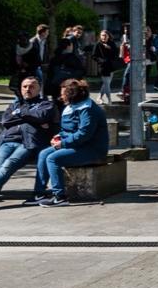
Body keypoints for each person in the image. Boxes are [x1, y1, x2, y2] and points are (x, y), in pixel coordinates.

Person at [0, 77, 57, 211]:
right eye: (24, 86)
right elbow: (6, 120)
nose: (27, 89)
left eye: (32, 86)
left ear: (39, 89)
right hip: (7, 142)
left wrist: (20, 114)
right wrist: (31, 118)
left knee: (8, 165)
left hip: (27, 143)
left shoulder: (46, 104)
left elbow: (40, 116)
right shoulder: (14, 104)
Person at [28, 79, 108, 207]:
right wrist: (59, 136)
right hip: (77, 145)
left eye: (63, 94)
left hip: (92, 149)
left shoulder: (87, 109)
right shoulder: (72, 106)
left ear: (72, 94)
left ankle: (60, 196)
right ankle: (39, 193)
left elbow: (84, 133)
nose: (61, 96)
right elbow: (68, 129)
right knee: (44, 154)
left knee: (53, 159)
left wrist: (63, 143)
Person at [94, 30, 120, 103]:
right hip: (103, 67)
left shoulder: (111, 44)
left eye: (105, 35)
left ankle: (99, 97)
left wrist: (110, 48)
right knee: (107, 84)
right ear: (100, 36)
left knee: (106, 83)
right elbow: (94, 56)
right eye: (102, 35)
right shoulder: (98, 44)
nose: (103, 37)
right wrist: (101, 61)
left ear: (108, 36)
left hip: (111, 66)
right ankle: (109, 99)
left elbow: (115, 54)